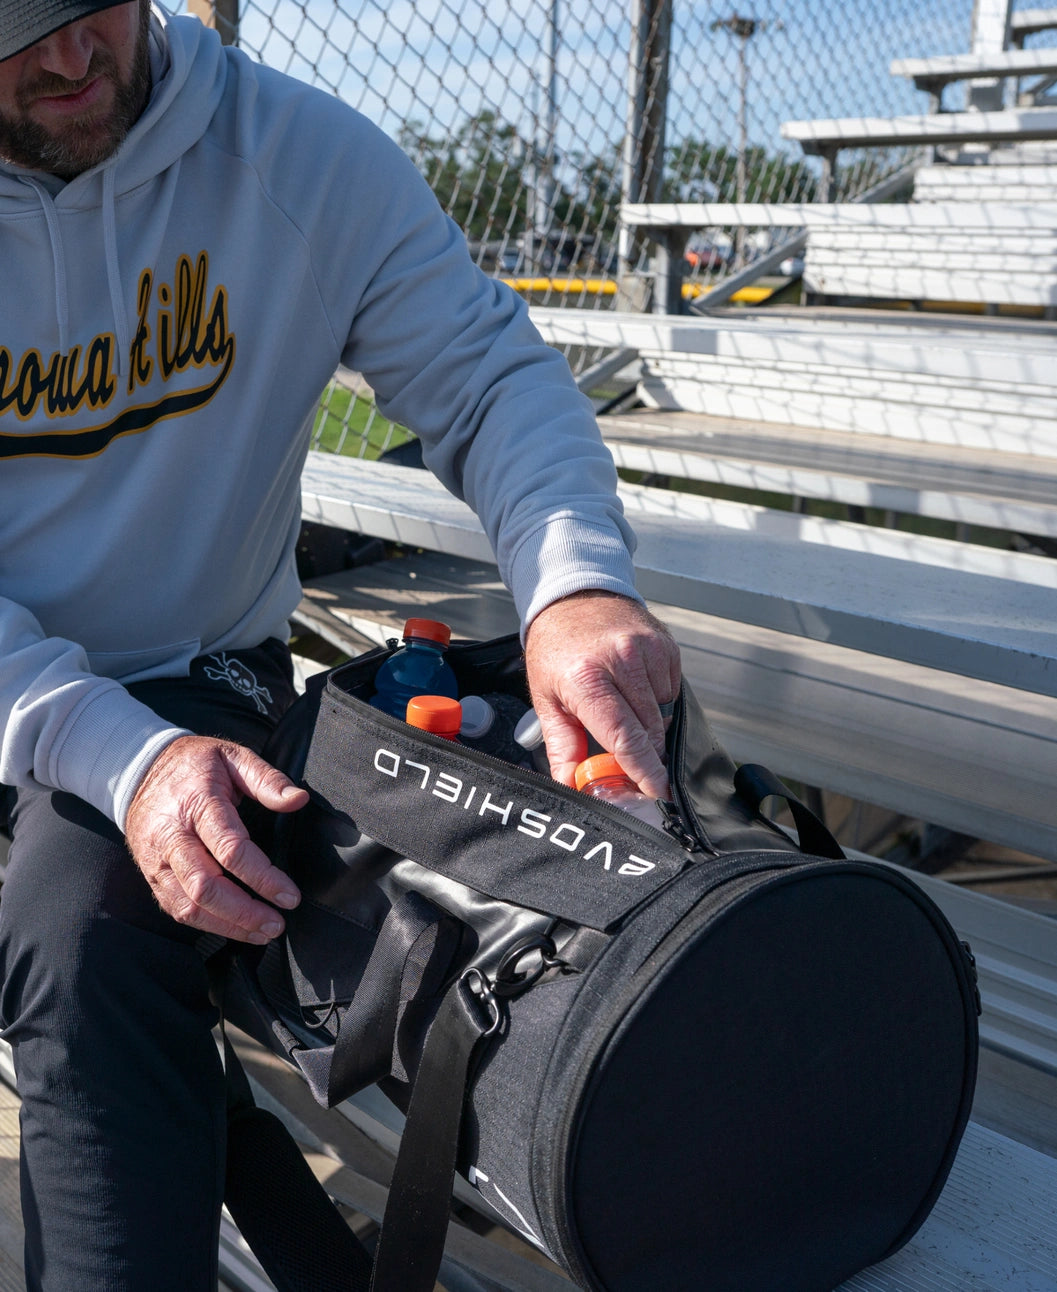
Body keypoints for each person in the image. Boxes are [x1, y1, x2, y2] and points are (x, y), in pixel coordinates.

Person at [0, 0, 681, 1285]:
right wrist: (106, 754)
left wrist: (573, 580)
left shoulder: (295, 155)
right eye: (17, 29)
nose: (75, 56)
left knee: (82, 927)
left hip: (187, 663)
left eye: (96, 5)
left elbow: (485, 375)